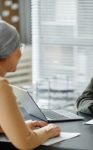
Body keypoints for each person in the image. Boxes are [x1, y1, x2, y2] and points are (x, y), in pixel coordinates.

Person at [0, 20, 60, 149]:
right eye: (18, 47)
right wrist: (50, 130)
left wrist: (23, 125)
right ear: (9, 50)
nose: (20, 53)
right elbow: (25, 142)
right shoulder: (1, 86)